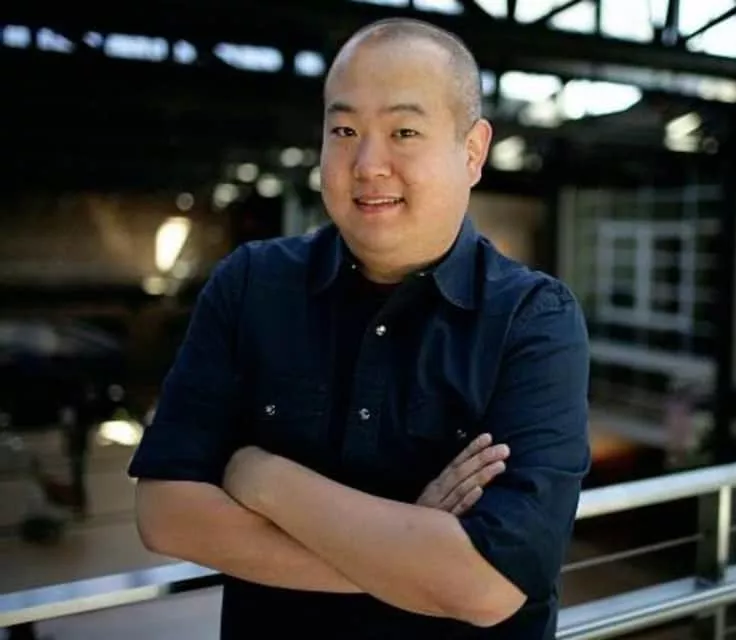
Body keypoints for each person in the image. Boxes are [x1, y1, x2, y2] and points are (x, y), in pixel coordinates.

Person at [129, 17, 591, 640]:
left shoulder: (533, 320)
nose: (368, 164)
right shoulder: (252, 286)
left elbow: (489, 585)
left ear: (473, 151)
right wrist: (411, 555)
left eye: (404, 132)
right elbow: (166, 514)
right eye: (344, 131)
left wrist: (261, 477)